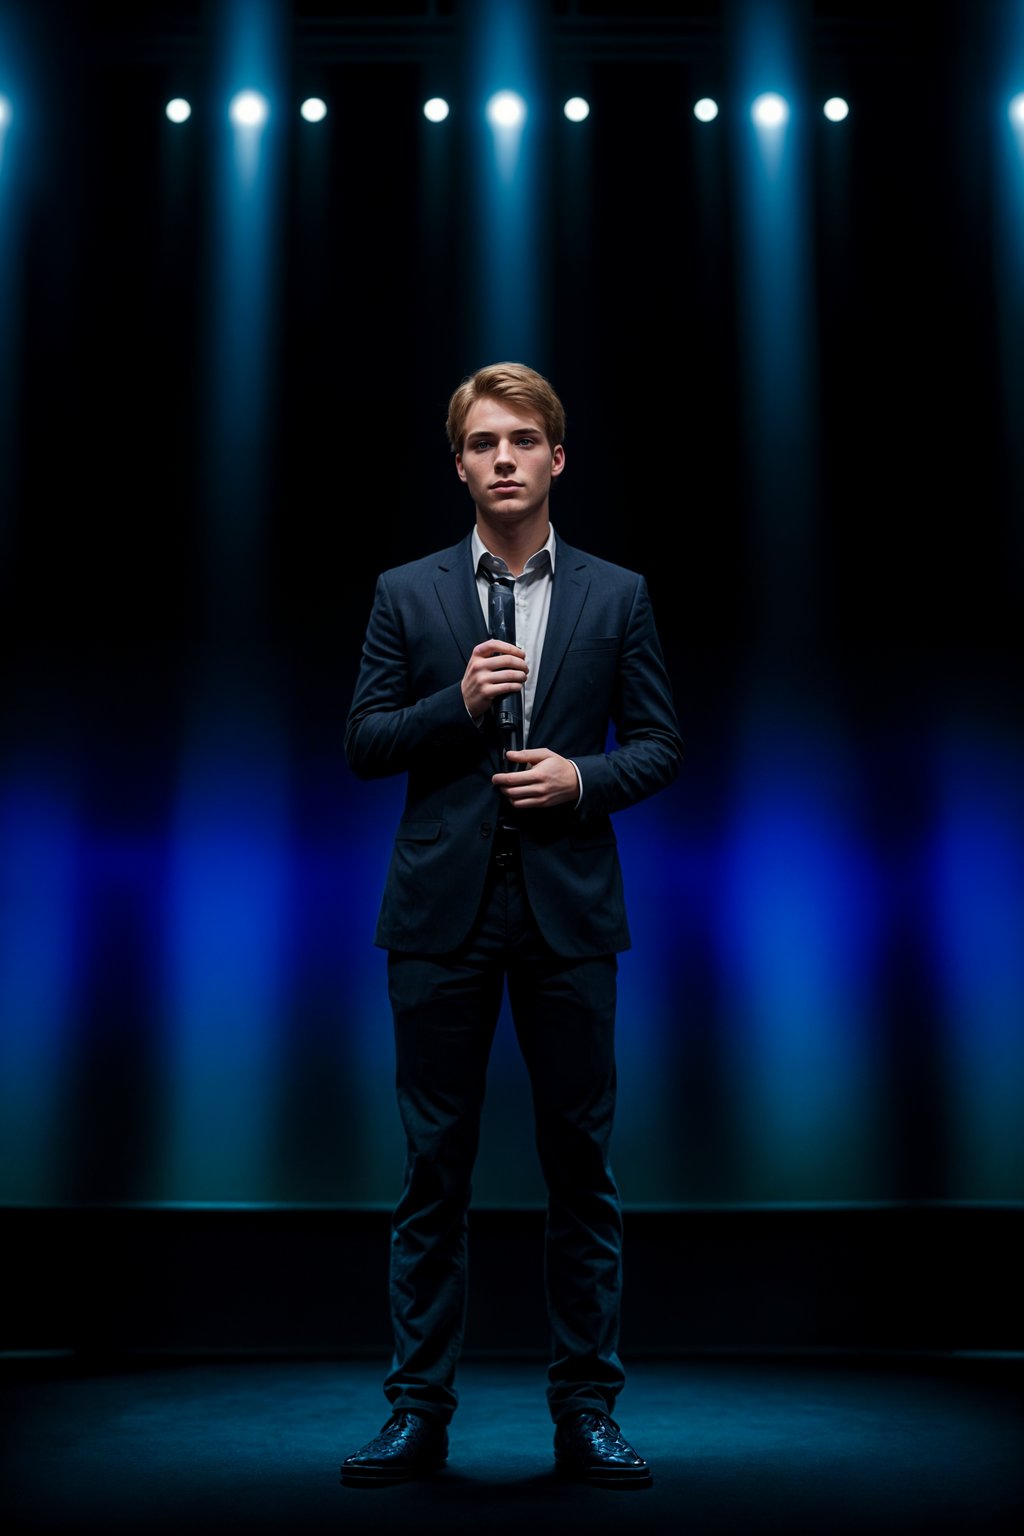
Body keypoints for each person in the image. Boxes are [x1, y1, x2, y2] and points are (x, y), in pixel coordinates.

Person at [340, 361, 683, 1489]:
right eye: (483, 441)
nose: (502, 458)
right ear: (459, 464)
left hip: (568, 915)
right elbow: (365, 742)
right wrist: (459, 707)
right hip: (440, 919)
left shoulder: (617, 594)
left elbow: (661, 744)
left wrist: (579, 782)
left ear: (555, 457)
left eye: (522, 440)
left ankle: (587, 1409)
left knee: (579, 1167)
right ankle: (416, 1412)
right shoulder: (407, 592)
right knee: (432, 1170)